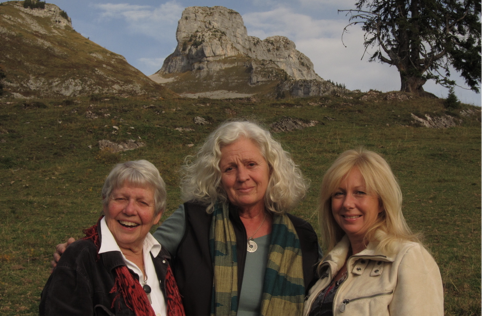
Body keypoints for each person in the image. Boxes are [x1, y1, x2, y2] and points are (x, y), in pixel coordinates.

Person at [53, 120, 321, 316]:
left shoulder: (302, 237)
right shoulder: (193, 218)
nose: (242, 177)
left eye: (251, 164)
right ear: (217, 176)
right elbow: (135, 251)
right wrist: (84, 257)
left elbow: (325, 296)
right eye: (230, 168)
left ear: (271, 169)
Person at [304, 148, 444, 316]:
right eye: (339, 193)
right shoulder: (326, 269)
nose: (347, 203)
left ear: (381, 203)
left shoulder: (407, 258)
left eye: (360, 193)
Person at [41, 160, 185, 316]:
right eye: (121, 199)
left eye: (142, 202)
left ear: (157, 215)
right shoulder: (80, 258)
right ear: (105, 203)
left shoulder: (162, 258)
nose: (130, 210)